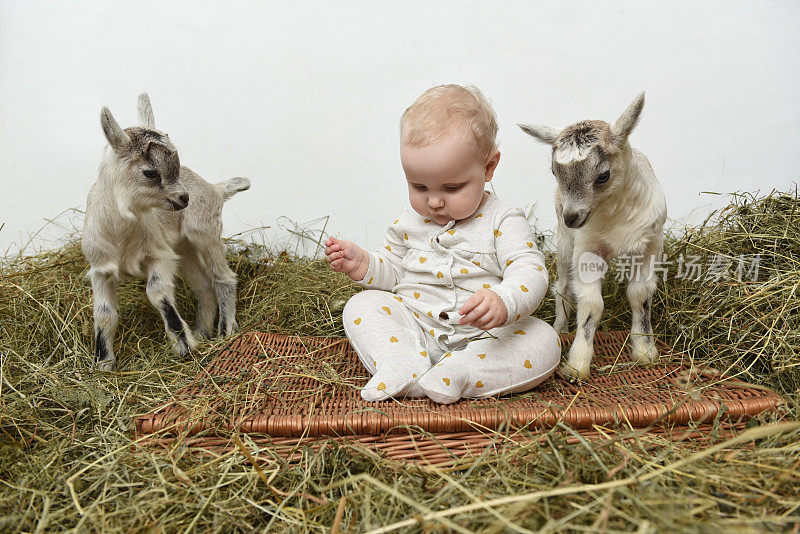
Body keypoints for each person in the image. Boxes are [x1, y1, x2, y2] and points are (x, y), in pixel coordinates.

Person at [324, 84, 560, 404]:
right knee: (362, 306)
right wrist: (364, 264)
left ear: (488, 168)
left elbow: (530, 270)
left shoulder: (503, 220)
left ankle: (460, 373)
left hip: (486, 339)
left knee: (544, 339)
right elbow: (393, 273)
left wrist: (504, 300)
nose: (434, 201)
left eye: (452, 187)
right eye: (419, 186)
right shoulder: (409, 221)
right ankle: (401, 363)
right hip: (415, 329)